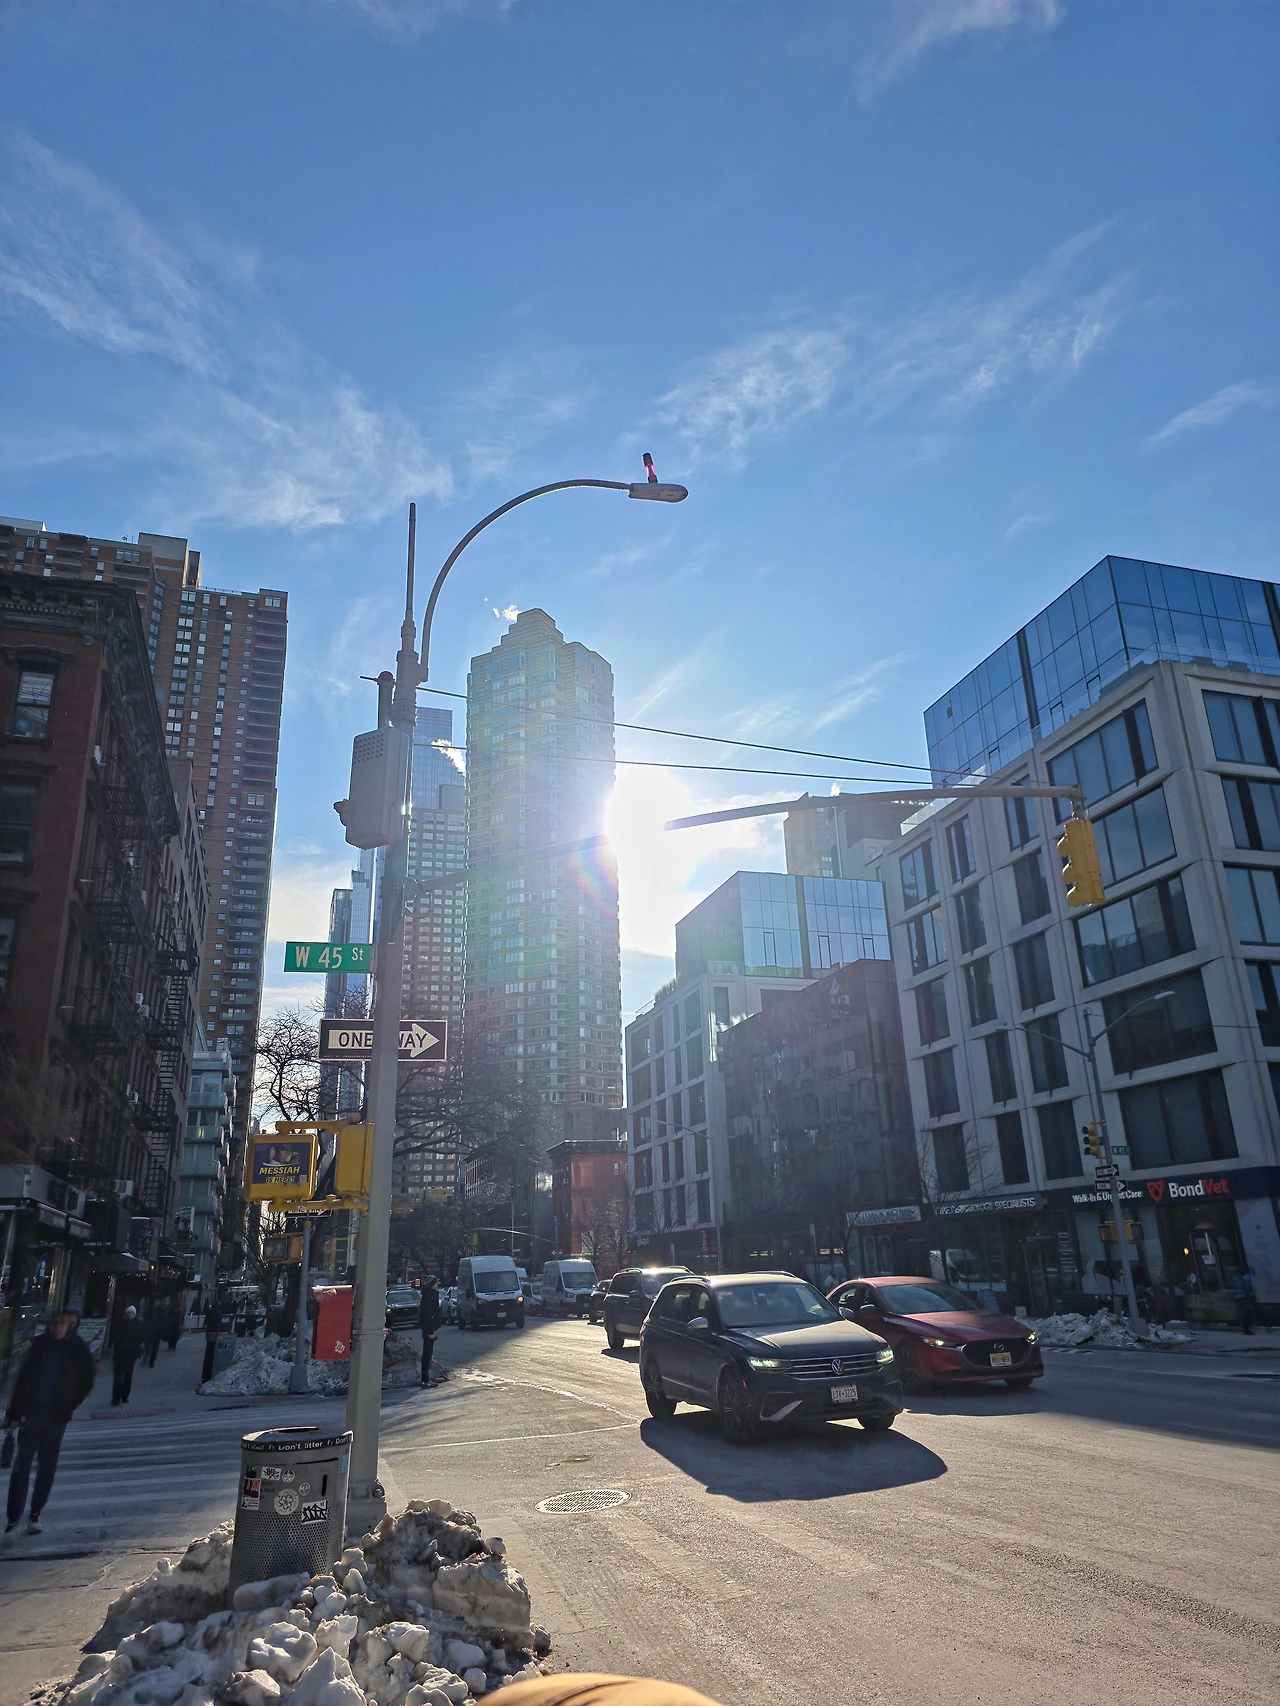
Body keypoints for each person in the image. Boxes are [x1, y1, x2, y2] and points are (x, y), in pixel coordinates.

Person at [4, 1305, 96, 1535]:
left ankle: (35, 1512)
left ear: (69, 1324)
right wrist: (14, 1414)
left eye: (62, 1323)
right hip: (32, 1414)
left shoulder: (77, 1349)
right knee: (21, 1466)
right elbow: (22, 1380)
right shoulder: (39, 1345)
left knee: (46, 1466)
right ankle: (13, 1518)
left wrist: (70, 1404)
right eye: (54, 1323)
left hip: (56, 1418)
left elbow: (87, 1380)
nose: (57, 1327)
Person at [112, 1305, 146, 1405]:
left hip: (131, 1353)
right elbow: (115, 1336)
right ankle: (116, 1398)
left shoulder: (138, 1324)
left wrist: (137, 1346)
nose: (131, 1315)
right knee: (118, 1376)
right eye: (129, 1313)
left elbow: (142, 1337)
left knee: (128, 1375)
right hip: (120, 1353)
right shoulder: (121, 1323)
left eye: (132, 1313)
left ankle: (125, 1396)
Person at [418, 1275, 442, 1387]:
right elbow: (427, 1316)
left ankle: (426, 1378)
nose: (438, 1284)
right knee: (427, 1355)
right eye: (436, 1282)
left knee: (428, 1354)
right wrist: (430, 1331)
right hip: (428, 1329)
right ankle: (425, 1380)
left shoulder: (430, 1295)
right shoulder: (429, 1297)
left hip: (429, 1328)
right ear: (432, 1284)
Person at [201, 1296, 225, 1385]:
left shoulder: (210, 1312)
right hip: (215, 1334)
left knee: (208, 1354)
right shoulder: (219, 1312)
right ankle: (211, 1373)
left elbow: (206, 1321)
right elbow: (220, 1324)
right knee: (214, 1354)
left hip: (209, 1333)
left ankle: (206, 1375)